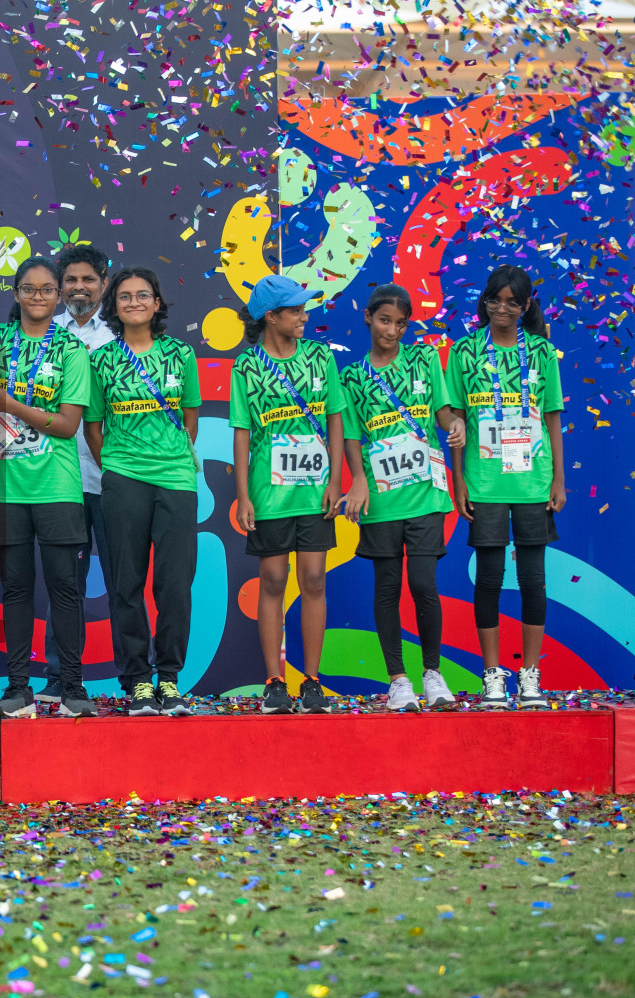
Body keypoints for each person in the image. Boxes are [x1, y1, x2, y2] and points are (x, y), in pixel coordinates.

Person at [0, 254, 95, 719]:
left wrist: (10, 404)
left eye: (46, 290)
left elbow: (66, 425)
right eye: (29, 289)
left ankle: (72, 687)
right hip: (4, 487)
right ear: (16, 294)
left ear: (58, 297)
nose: (38, 296)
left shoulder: (71, 349)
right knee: (16, 590)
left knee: (64, 590)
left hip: (57, 486)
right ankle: (18, 688)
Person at [445, 265, 566, 708]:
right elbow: (455, 417)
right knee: (490, 580)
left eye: (512, 302)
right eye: (494, 299)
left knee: (534, 581)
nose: (502, 308)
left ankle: (530, 675)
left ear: (526, 306)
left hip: (534, 483)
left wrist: (559, 479)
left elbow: (552, 416)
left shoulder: (541, 352)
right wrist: (458, 479)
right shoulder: (464, 352)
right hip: (484, 482)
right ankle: (493, 675)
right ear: (484, 301)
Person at [340, 285, 466, 712]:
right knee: (388, 587)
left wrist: (456, 424)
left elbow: (442, 411)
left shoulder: (425, 359)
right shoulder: (352, 377)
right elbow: (352, 436)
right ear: (368, 319)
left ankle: (432, 673)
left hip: (428, 494)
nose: (391, 330)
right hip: (381, 499)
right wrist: (357, 480)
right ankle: (398, 681)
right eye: (383, 320)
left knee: (424, 584)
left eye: (399, 323)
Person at [83, 268, 202, 717]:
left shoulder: (180, 354)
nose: (134, 302)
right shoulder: (102, 359)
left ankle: (168, 679)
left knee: (174, 584)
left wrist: (170, 457)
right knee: (126, 583)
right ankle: (136, 681)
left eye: (143, 295)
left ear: (157, 303)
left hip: (175, 480)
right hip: (122, 478)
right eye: (125, 296)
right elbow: (93, 426)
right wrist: (113, 465)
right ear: (114, 306)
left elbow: (190, 417)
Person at [230, 274, 345, 714]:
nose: (304, 316)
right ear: (270, 317)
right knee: (274, 580)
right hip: (270, 493)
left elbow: (334, 418)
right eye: (295, 310)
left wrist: (336, 481)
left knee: (313, 579)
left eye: (303, 308)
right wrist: (244, 495)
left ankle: (312, 681)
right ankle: (275, 680)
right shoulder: (247, 366)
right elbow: (242, 433)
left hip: (315, 493)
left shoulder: (319, 357)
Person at [34, 243, 116, 703]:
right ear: (59, 287)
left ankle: (135, 679)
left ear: (104, 284)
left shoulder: (121, 335)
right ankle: (59, 676)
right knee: (66, 583)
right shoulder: (43, 331)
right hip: (59, 477)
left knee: (124, 581)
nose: (78, 287)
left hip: (113, 477)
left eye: (88, 279)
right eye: (71, 280)